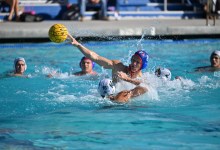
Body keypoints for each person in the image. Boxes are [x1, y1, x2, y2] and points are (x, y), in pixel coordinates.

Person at [68, 34, 148, 103]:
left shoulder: (142, 78)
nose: (134, 63)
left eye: (137, 62)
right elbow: (95, 57)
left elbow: (147, 87)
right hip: (107, 101)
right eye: (133, 60)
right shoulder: (118, 67)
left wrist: (126, 78)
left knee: (143, 88)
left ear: (142, 65)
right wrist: (78, 45)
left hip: (123, 105)